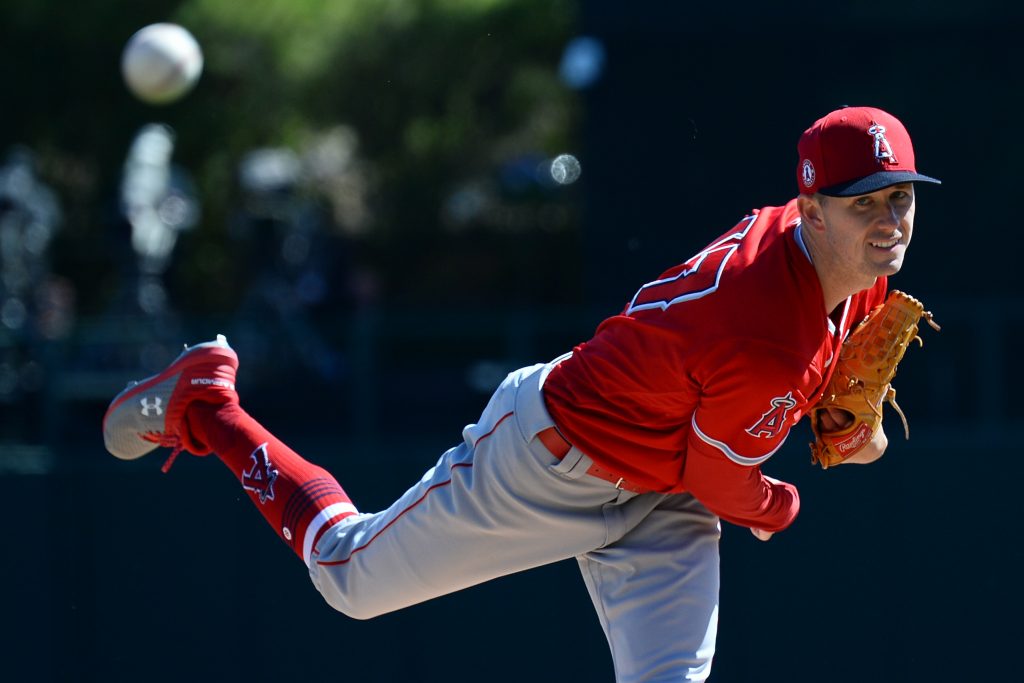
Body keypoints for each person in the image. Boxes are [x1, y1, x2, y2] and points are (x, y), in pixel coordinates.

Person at [103, 105, 940, 682]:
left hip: (664, 483)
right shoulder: (762, 334)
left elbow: (747, 424)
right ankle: (207, 405)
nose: (890, 221)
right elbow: (725, 481)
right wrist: (787, 501)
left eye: (900, 198)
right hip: (552, 463)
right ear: (810, 208)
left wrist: (837, 414)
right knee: (348, 577)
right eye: (864, 203)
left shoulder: (830, 257)